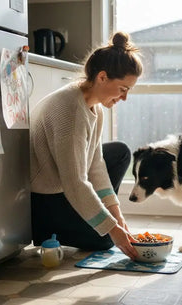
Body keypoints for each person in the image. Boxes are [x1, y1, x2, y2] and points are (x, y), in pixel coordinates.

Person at [29, 32, 142, 260]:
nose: (124, 98)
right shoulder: (69, 110)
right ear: (102, 77)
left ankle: (98, 218)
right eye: (123, 89)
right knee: (104, 240)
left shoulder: (95, 106)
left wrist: (118, 220)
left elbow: (95, 166)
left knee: (119, 152)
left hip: (66, 185)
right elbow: (75, 182)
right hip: (45, 199)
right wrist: (113, 231)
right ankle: (47, 231)